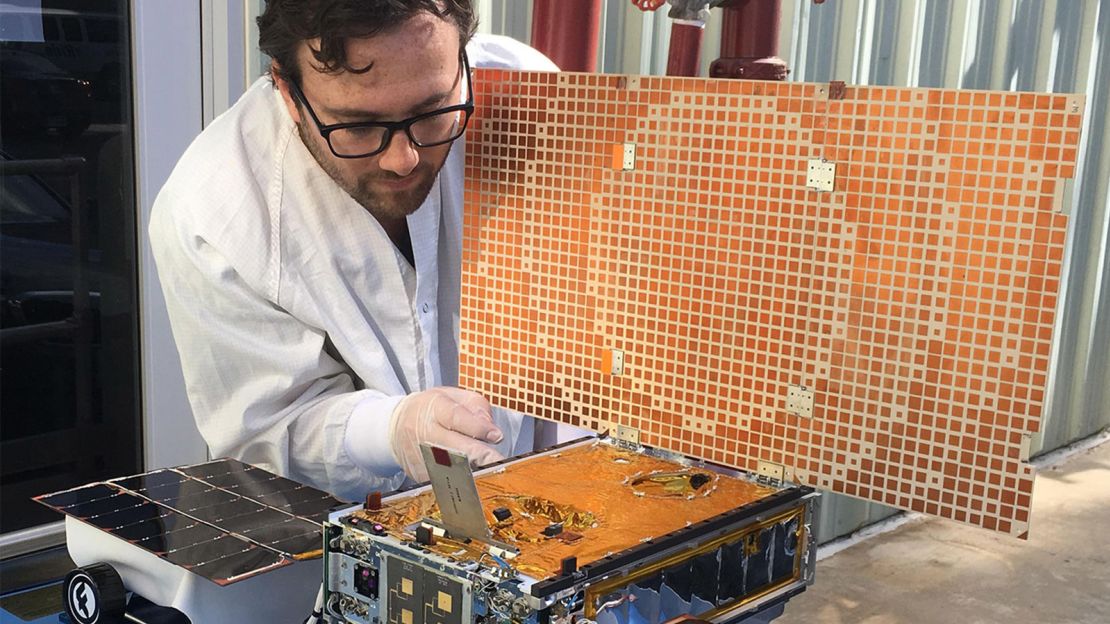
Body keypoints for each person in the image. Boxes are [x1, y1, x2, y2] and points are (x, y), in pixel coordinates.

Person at [149, 0, 558, 502]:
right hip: (356, 536)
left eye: (432, 112)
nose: (403, 158)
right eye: (359, 127)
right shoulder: (213, 213)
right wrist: (390, 431)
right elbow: (269, 429)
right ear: (286, 90)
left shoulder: (538, 97)